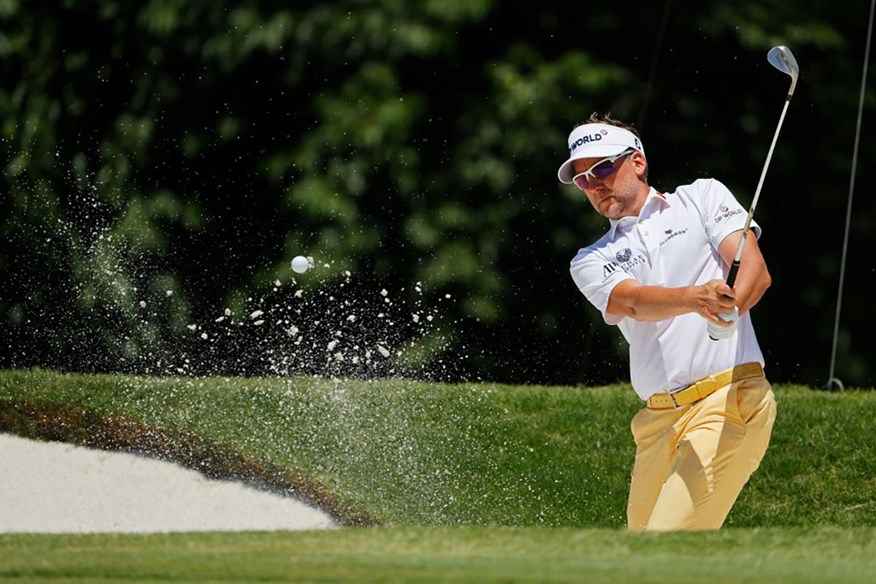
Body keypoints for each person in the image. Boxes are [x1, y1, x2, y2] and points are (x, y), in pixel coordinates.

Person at [558, 112, 777, 531]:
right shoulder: (590, 259)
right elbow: (635, 302)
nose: (595, 184)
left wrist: (731, 310)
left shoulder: (702, 197)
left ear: (637, 161)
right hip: (657, 421)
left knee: (661, 551)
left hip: (728, 399)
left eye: (602, 167)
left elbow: (754, 270)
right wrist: (696, 299)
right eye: (583, 179)